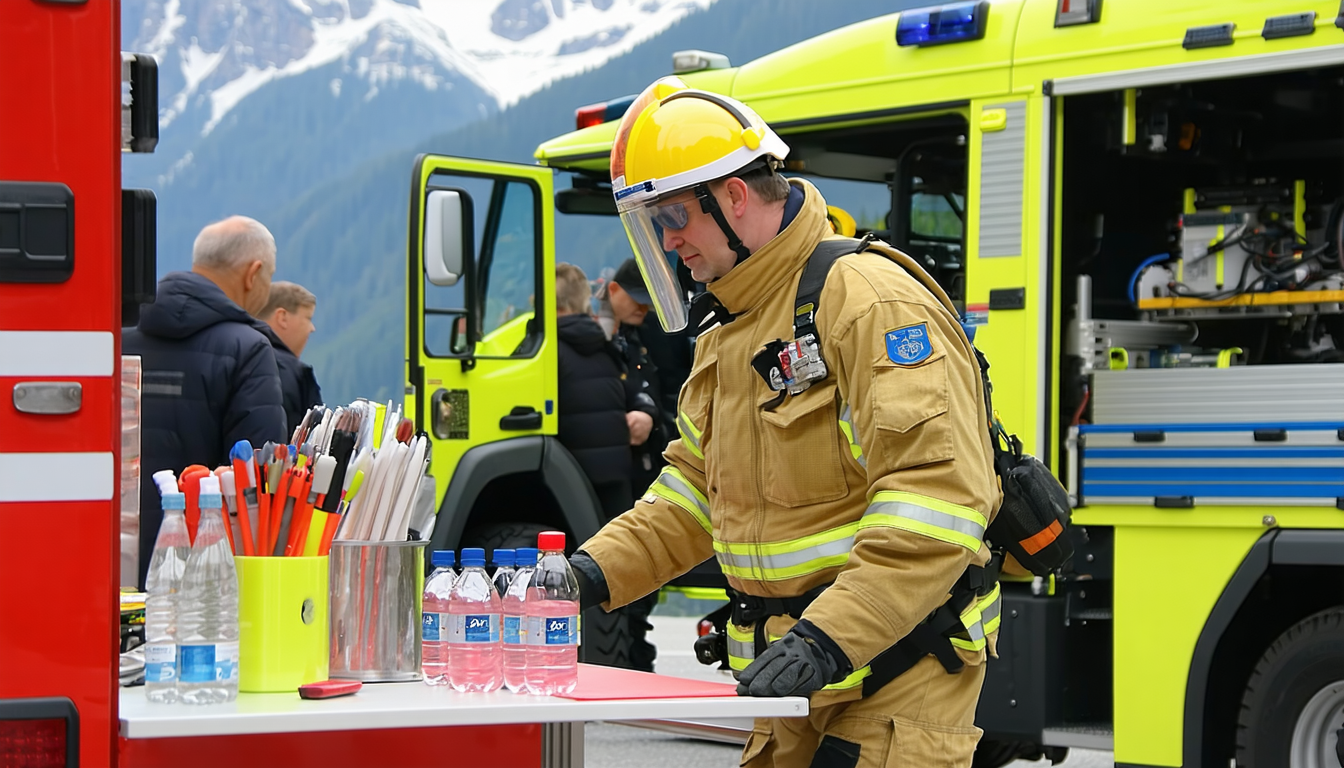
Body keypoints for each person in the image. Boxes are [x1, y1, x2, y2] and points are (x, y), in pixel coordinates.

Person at [567, 79, 1002, 767]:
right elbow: (692, 496)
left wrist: (825, 640)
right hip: (798, 678)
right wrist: (583, 577)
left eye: (676, 216)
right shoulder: (730, 327)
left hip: (898, 667)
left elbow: (938, 501)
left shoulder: (868, 302)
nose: (669, 240)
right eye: (656, 224)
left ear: (734, 197)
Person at [123, 215, 288, 588]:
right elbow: (255, 479)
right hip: (204, 573)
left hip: (111, 562)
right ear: (253, 273)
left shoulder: (118, 333)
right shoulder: (248, 348)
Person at [553, 263, 656, 524]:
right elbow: (633, 392)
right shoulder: (604, 346)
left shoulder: (542, 352)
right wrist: (646, 414)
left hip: (565, 484)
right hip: (618, 479)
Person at [257, 281, 323, 436]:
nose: (312, 329)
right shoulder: (291, 372)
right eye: (308, 318)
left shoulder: (235, 356)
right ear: (282, 317)